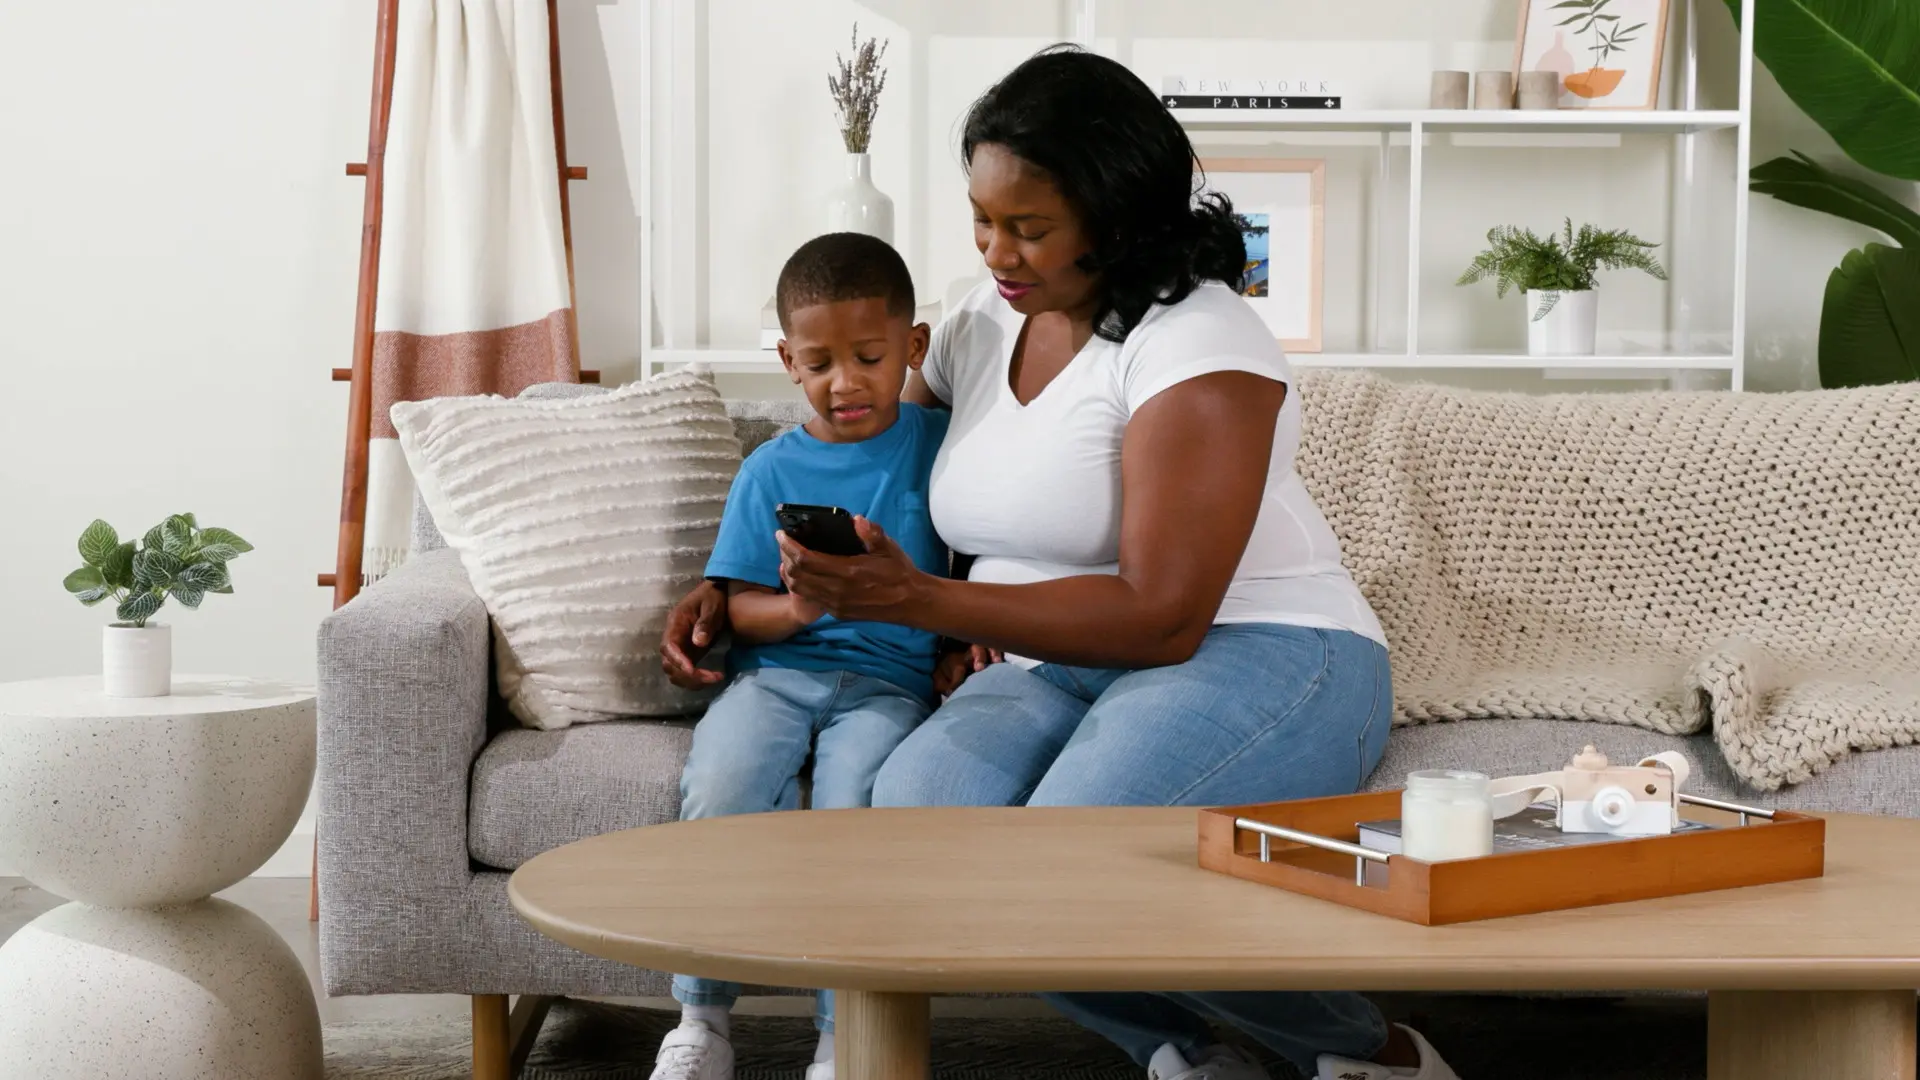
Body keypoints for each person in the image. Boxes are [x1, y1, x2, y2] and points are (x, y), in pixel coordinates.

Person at [660, 47, 1459, 1080]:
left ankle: (1367, 1054)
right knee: (916, 835)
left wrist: (924, 597)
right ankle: (1185, 1052)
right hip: (1051, 657)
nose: (999, 250)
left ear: (1116, 216)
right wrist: (728, 587)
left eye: (1029, 228)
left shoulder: (1202, 343)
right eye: (983, 219)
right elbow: (890, 471)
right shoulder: (980, 323)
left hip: (1260, 645)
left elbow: (1162, 613)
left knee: (1071, 858)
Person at [648, 231, 990, 1080]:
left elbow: (974, 565)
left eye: (870, 357)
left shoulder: (940, 445)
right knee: (720, 787)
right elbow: (738, 610)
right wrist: (801, 604)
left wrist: (963, 640)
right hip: (777, 678)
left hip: (889, 688)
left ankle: (843, 1036)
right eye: (821, 362)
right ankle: (699, 1017)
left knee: (854, 817)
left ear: (912, 348)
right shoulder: (768, 471)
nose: (846, 382)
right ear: (789, 364)